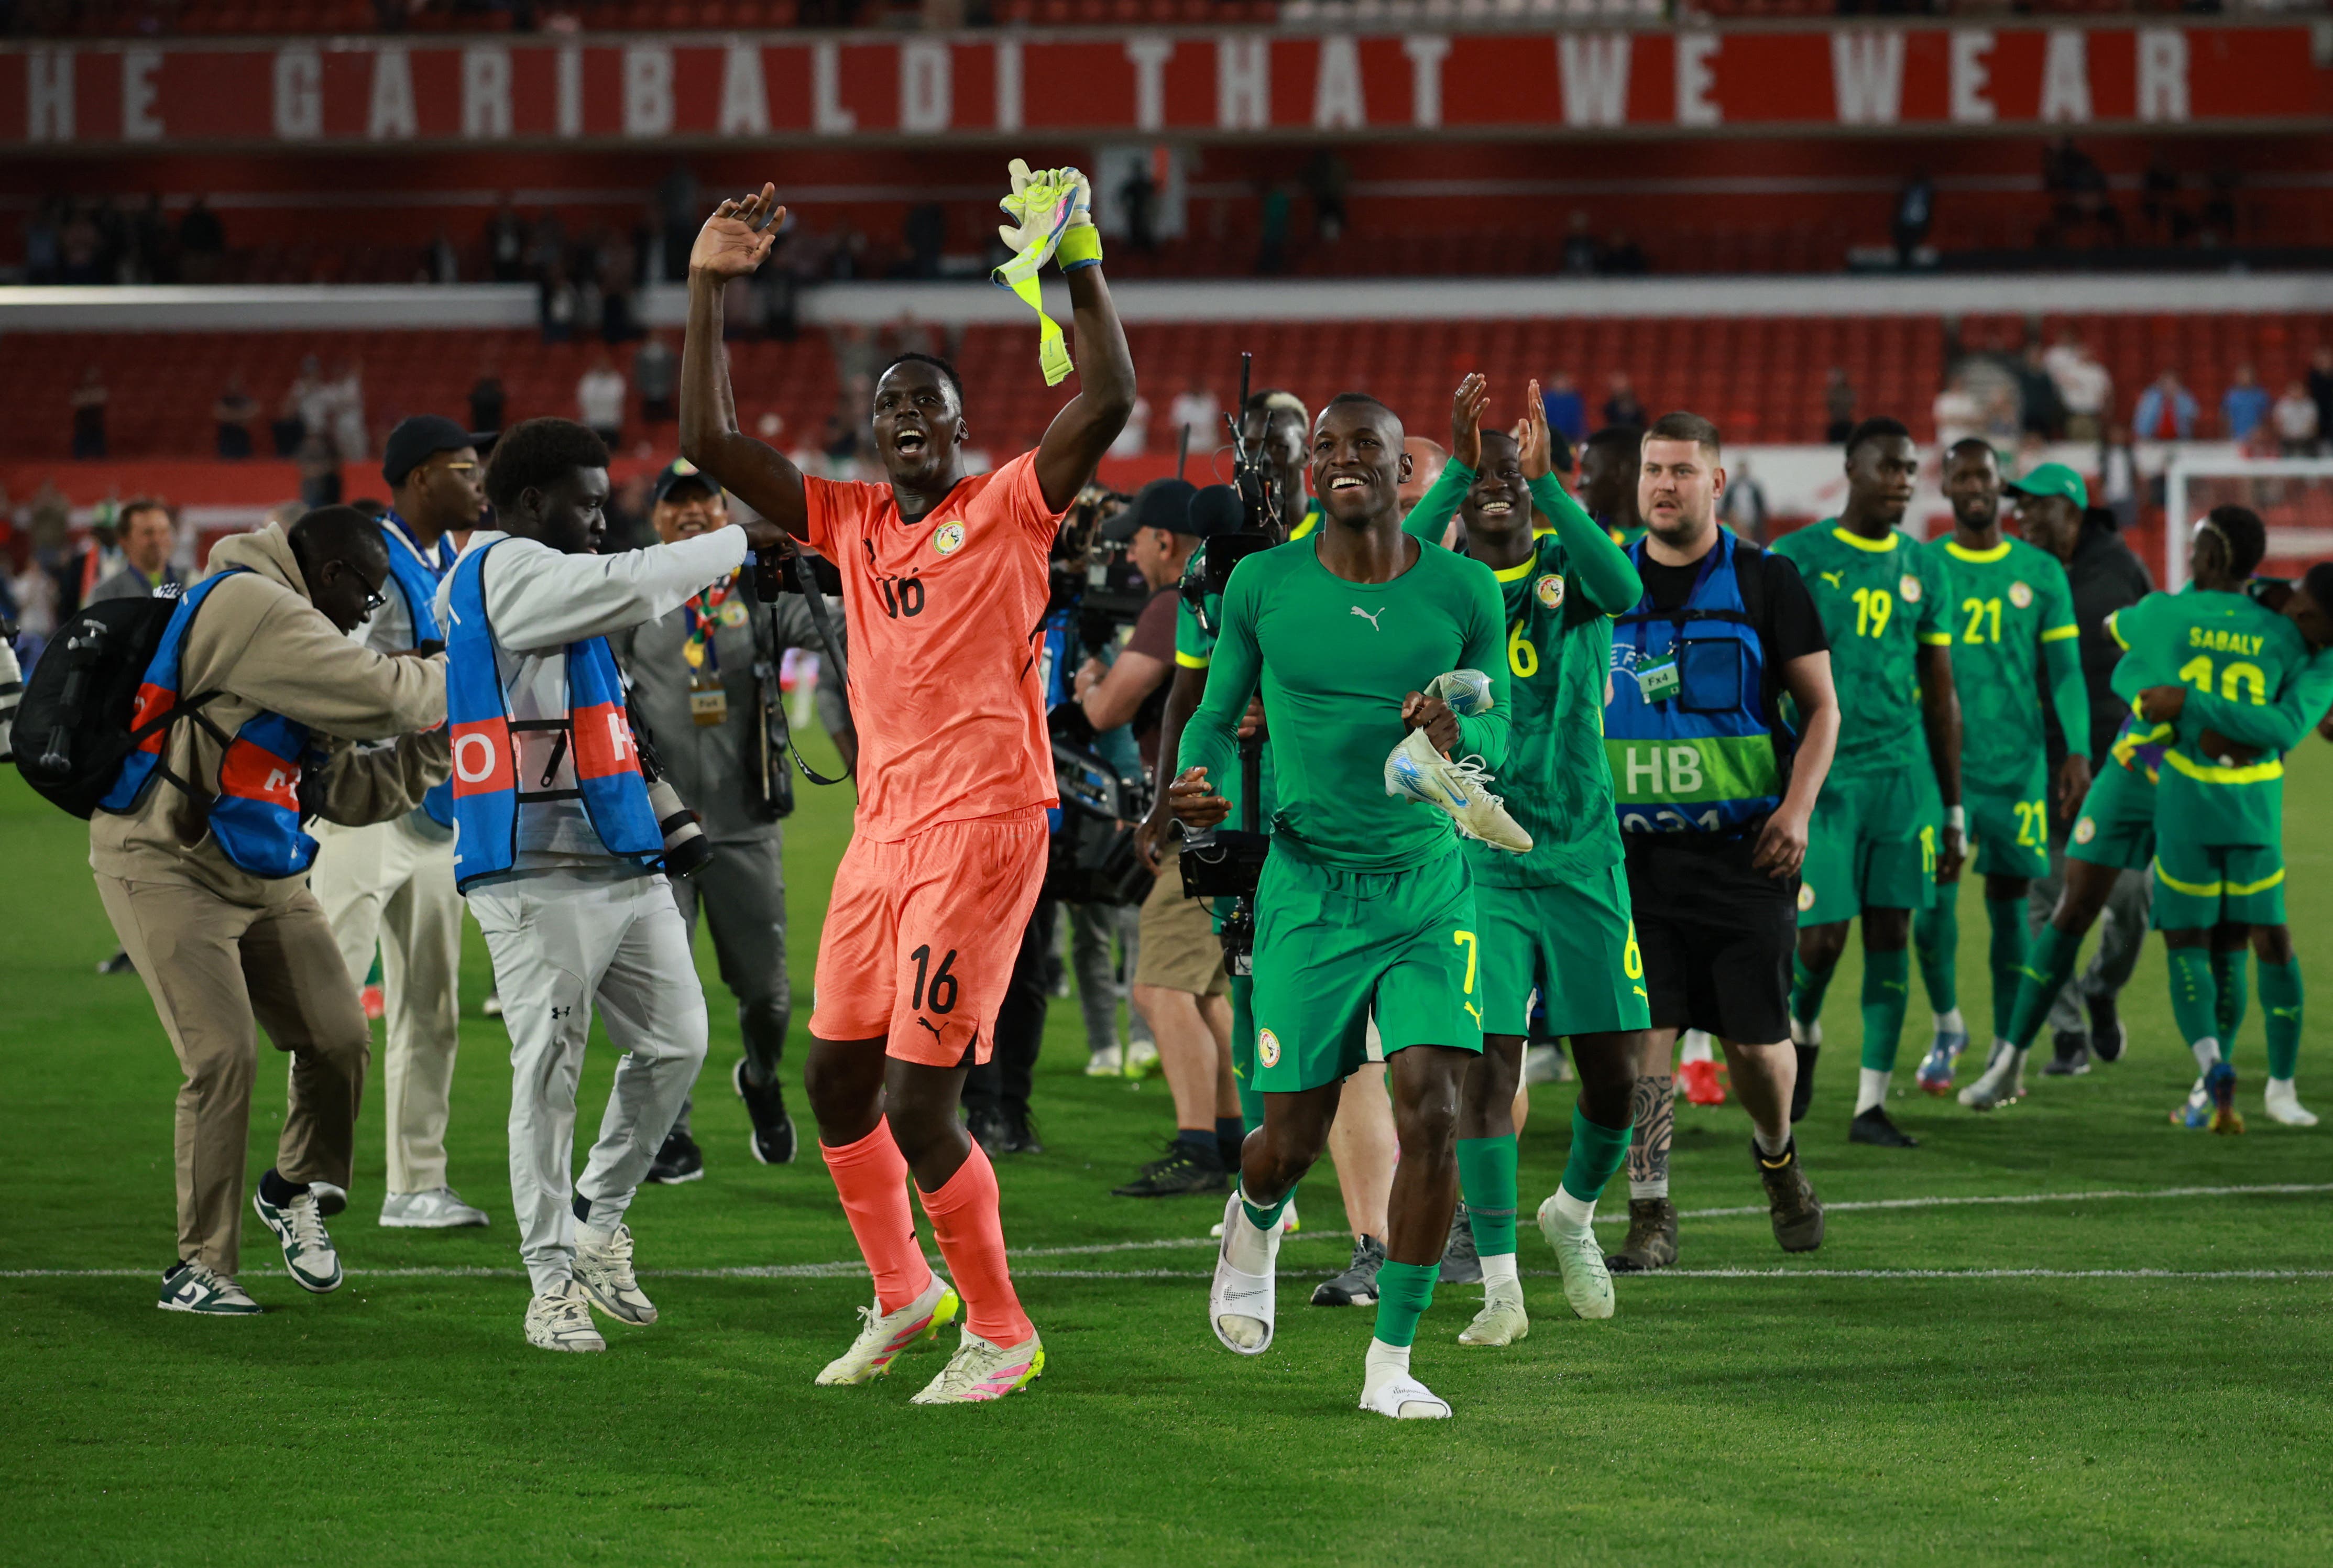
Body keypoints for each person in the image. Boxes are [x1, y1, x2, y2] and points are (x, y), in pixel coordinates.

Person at [681, 168, 1134, 1401]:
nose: (908, 422)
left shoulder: (1010, 509)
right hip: (883, 836)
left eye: (928, 406)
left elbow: (1108, 394)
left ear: (961, 426)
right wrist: (707, 286)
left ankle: (1002, 1325)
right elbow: (708, 445)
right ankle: (904, 1292)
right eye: (889, 410)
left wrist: (1073, 261)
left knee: (921, 1097)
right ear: (874, 432)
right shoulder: (851, 521)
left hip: (986, 827)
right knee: (832, 1079)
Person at [1176, 391, 1511, 1420]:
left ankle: (1391, 1360)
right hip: (1307, 887)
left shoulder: (1463, 588)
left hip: (1426, 885)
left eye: (1362, 443)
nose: (1339, 459)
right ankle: (1256, 1213)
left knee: (1433, 1108)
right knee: (1293, 1132)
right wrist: (1197, 781)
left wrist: (1454, 735)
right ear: (1308, 470)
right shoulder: (1264, 585)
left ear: (1400, 466)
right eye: (1323, 448)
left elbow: (1498, 726)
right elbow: (1212, 712)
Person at [437, 418, 774, 1353]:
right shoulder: (501, 570)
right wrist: (739, 538)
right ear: (533, 503)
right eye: (587, 501)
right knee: (547, 1071)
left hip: (617, 851)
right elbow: (626, 581)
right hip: (531, 864)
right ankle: (548, 1282)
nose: (603, 517)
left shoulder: (544, 579)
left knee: (677, 1042)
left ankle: (595, 1219)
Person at [95, 508, 451, 1315]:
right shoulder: (253, 605)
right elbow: (383, 695)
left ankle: (292, 1186)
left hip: (261, 862)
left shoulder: (303, 633)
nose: (370, 611)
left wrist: (440, 737)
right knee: (223, 1057)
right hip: (163, 861)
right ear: (330, 575)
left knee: (338, 1036)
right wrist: (469, 674)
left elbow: (348, 791)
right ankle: (198, 1267)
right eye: (367, 593)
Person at [1396, 375, 1647, 1341]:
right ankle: (1500, 1286)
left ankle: (1572, 1213)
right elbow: (1402, 549)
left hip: (1582, 853)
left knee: (1614, 1072)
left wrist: (1549, 489)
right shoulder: (1444, 590)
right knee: (1486, 1068)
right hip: (1484, 862)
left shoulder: (1575, 572)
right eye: (1482, 477)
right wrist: (1455, 464)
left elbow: (1628, 589)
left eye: (1513, 473)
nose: (1497, 486)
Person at [1602, 412, 1837, 1271]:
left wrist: (1797, 809)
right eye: (1651, 469)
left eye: (1681, 470)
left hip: (1747, 853)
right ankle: (1648, 1213)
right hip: (1634, 861)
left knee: (1755, 1050)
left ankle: (1775, 1155)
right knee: (1646, 1035)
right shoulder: (1603, 580)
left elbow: (1821, 708)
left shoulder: (1766, 580)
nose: (1663, 484)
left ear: (1717, 480)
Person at [616, 459, 854, 1182]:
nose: (690, 513)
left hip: (748, 822)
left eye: (703, 501)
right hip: (662, 832)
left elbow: (839, 634)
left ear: (724, 513)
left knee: (769, 996)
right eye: (675, 503)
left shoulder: (757, 593)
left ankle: (759, 1075)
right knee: (668, 992)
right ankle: (671, 1132)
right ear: (656, 518)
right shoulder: (631, 597)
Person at [303, 418, 494, 1231]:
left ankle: (417, 1183)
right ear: (420, 479)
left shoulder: (453, 560)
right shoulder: (366, 556)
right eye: (463, 469)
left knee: (432, 1000)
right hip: (356, 806)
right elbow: (334, 672)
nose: (478, 482)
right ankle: (308, 1179)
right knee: (334, 1001)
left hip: (434, 803)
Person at [1773, 417, 1964, 1149]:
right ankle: (1804, 1029)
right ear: (1851, 468)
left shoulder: (1925, 566)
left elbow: (1939, 692)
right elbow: (1766, 677)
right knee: (1819, 941)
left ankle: (1871, 1106)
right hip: (1823, 780)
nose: (1904, 481)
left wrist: (1951, 807)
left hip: (1902, 780)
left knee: (1892, 930)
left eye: (1912, 470)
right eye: (1890, 467)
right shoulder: (1797, 558)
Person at [1904, 445, 2091, 1101]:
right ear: (1947, 486)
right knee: (1928, 912)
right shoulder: (1923, 565)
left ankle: (2005, 1053)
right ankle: (1947, 1023)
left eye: (1984, 475)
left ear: (1998, 487)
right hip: (1939, 770)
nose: (1974, 486)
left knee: (2011, 910)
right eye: (1962, 476)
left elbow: (2066, 670)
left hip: (2017, 769)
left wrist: (2077, 748)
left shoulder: (2039, 571)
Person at [1097, 480, 1245, 1198]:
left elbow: (1123, 706)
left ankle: (1199, 1147)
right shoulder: (1246, 578)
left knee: (1159, 986)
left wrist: (1163, 808)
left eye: (1134, 538)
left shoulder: (1175, 603)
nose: (1128, 552)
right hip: (1236, 809)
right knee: (1209, 988)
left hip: (1205, 811)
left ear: (1165, 541)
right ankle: (1227, 1133)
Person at [2020, 485, 2154, 1074]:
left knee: (2129, 897)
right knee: (2043, 899)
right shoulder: (2018, 573)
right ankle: (2067, 1032)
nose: (2021, 517)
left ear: (2069, 511)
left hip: (2118, 766)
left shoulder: (2123, 570)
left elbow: (2159, 651)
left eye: (2033, 507)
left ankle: (2101, 986)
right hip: (2040, 762)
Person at [87, 499, 185, 604]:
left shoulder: (193, 584)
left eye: (163, 531)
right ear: (124, 541)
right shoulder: (107, 595)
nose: (158, 540)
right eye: (148, 533)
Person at [578, 352, 627, 446]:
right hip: (593, 422)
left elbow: (617, 397)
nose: (603, 367)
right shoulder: (589, 380)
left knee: (612, 452)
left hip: (611, 422)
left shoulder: (616, 379)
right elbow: (584, 398)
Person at [2134, 371, 2198, 442]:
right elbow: (2141, 424)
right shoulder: (2151, 398)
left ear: (2178, 385)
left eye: (2172, 384)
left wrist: (2178, 400)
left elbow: (2193, 414)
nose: (2169, 387)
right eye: (2166, 384)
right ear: (2161, 385)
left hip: (2180, 441)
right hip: (2153, 441)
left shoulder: (2184, 397)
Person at [635, 333, 678, 425]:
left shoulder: (668, 354)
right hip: (648, 392)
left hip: (665, 392)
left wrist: (669, 387)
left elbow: (672, 372)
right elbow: (640, 374)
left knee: (666, 421)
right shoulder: (642, 355)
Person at [2222, 365, 2271, 444]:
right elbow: (2225, 417)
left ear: (2253, 377)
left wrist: (2263, 435)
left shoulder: (2260, 395)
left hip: (2255, 439)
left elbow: (2266, 417)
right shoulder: (2231, 395)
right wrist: (2226, 436)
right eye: (2242, 375)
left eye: (2247, 375)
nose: (2244, 378)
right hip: (2235, 438)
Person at [214, 377, 257, 460]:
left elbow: (255, 411)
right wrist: (238, 417)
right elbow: (218, 413)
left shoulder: (245, 400)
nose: (235, 389)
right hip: (228, 430)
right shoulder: (225, 400)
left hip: (242, 429)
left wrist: (234, 416)